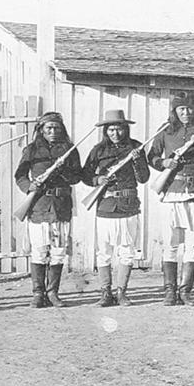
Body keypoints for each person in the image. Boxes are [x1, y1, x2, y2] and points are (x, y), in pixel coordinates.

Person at [147, 93, 194, 306]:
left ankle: (185, 291)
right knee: (170, 242)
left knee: (193, 243)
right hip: (172, 190)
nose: (186, 113)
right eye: (181, 109)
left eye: (189, 109)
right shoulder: (166, 130)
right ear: (175, 111)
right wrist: (164, 163)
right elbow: (152, 156)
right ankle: (170, 292)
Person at [81, 110, 150, 307]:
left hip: (128, 206)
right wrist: (98, 179)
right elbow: (85, 175)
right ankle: (105, 294)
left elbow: (143, 178)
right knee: (104, 251)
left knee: (127, 251)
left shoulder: (136, 148)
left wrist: (136, 160)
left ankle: (121, 293)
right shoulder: (98, 150)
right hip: (106, 206)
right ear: (106, 130)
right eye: (111, 129)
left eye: (119, 128)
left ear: (125, 129)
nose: (115, 133)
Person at [15, 111, 83, 308]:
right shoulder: (31, 150)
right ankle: (38, 293)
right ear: (41, 130)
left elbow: (77, 176)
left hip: (61, 206)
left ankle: (53, 292)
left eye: (57, 128)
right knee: (39, 250)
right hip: (39, 206)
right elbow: (19, 175)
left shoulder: (69, 150)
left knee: (58, 250)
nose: (53, 131)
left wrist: (63, 169)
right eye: (49, 128)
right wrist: (29, 186)